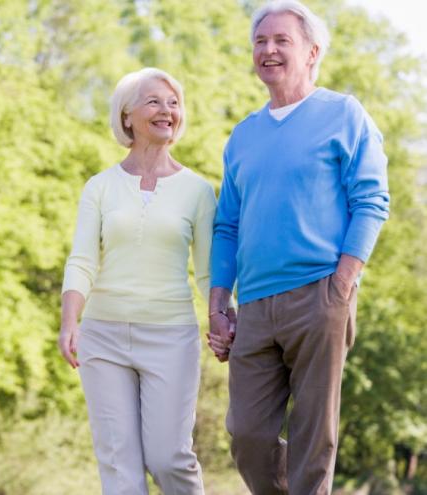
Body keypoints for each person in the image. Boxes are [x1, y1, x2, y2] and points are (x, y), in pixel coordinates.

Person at [207, 1, 391, 494]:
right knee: (247, 435)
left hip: (320, 293)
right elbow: (226, 225)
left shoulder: (343, 114)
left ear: (312, 52)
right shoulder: (243, 136)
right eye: (260, 41)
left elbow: (372, 200)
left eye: (281, 41)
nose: (268, 50)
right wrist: (217, 306)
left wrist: (344, 282)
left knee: (314, 437)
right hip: (255, 305)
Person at [58, 67, 216, 495]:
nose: (167, 110)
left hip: (171, 336)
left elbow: (207, 272)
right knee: (119, 466)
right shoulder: (100, 187)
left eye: (174, 102)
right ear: (126, 116)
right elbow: (83, 259)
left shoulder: (199, 191)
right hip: (103, 336)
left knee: (169, 459)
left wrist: (224, 318)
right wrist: (70, 321)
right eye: (154, 101)